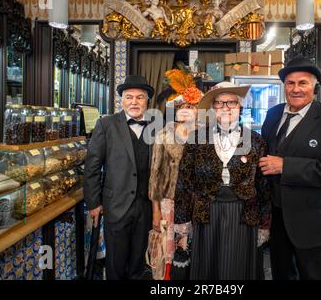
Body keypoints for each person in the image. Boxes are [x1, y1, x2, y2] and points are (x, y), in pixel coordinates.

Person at [259, 57, 321, 280]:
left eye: (303, 83)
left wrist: (285, 166)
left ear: (314, 85)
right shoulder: (273, 115)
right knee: (281, 275)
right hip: (278, 221)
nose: (296, 89)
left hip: (312, 224)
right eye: (290, 83)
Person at [174, 81, 271, 280]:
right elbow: (184, 181)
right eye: (219, 103)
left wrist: (264, 224)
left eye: (231, 103)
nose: (225, 107)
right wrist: (182, 222)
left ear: (240, 106)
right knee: (207, 270)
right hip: (206, 212)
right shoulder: (196, 137)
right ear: (212, 108)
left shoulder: (257, 141)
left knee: (237, 269)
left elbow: (263, 186)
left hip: (243, 215)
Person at [83, 75, 155, 280]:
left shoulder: (157, 126)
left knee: (138, 263)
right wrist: (94, 203)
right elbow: (92, 166)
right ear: (121, 100)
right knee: (115, 263)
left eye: (139, 97)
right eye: (129, 97)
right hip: (116, 205)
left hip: (145, 206)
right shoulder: (106, 124)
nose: (134, 102)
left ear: (147, 101)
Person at [149, 78, 203, 280]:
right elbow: (155, 176)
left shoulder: (205, 134)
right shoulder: (164, 134)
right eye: (183, 106)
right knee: (168, 248)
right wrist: (155, 211)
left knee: (194, 249)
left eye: (192, 106)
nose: (187, 109)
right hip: (169, 202)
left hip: (197, 203)